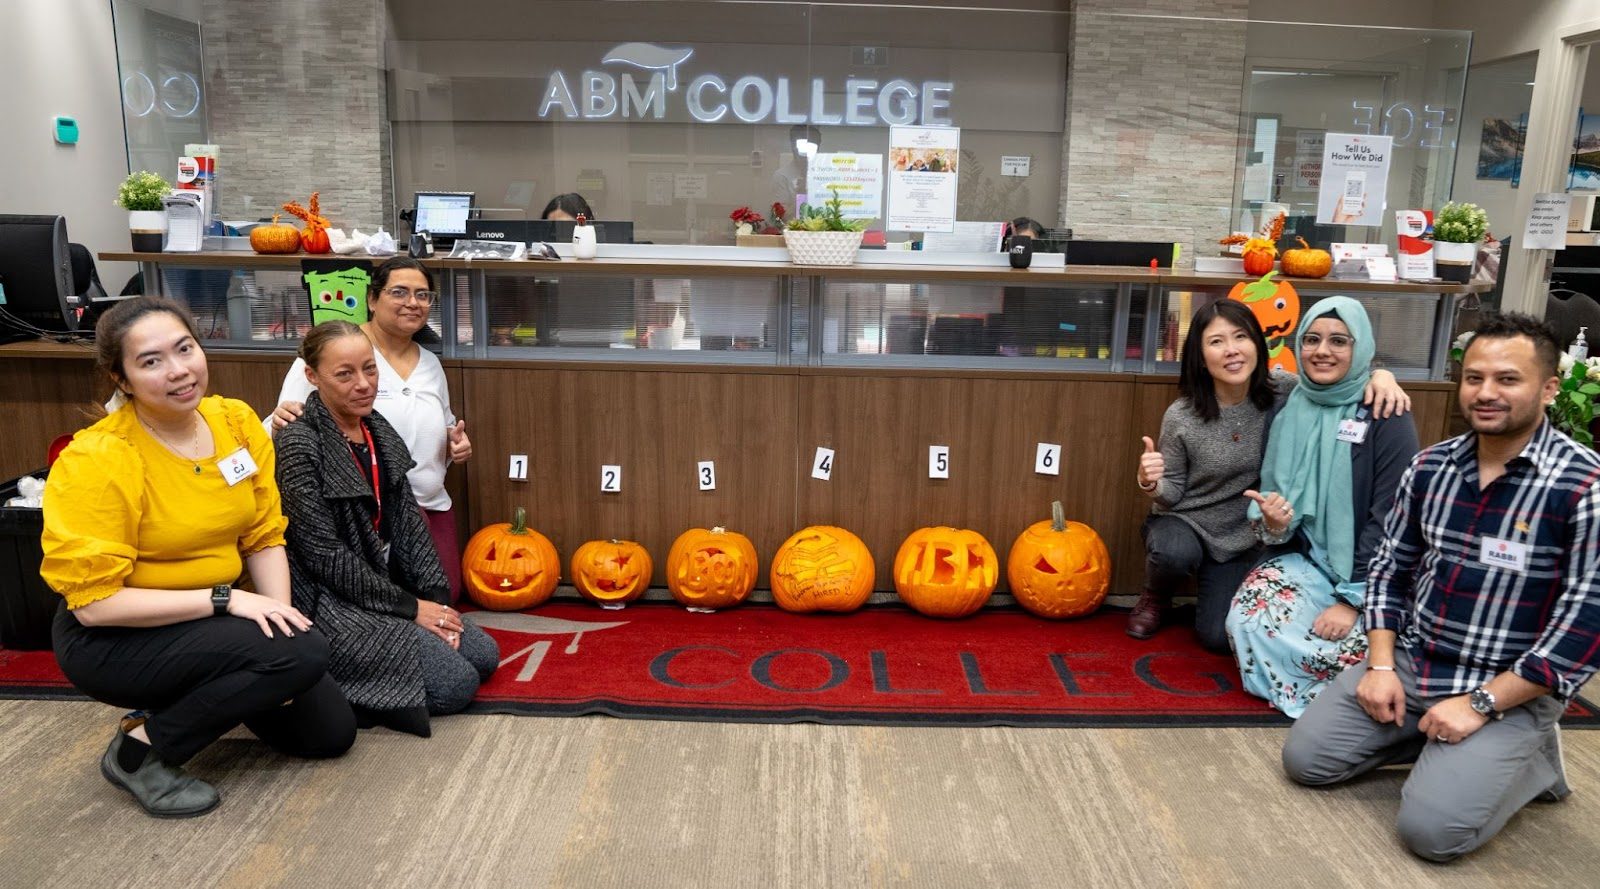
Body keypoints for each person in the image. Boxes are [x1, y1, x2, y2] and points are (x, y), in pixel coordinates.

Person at [1282, 313, 1600, 862]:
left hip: (1508, 685)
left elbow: (1585, 627)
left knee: (1432, 835)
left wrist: (1478, 704)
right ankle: (1431, 738)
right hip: (1414, 661)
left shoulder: (1583, 486)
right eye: (1474, 378)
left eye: (1507, 379)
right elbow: (1389, 570)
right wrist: (1380, 667)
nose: (1486, 393)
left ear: (1549, 388)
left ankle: (1533, 761)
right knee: (1306, 762)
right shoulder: (1431, 467)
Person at [41, 296, 354, 819]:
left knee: (327, 731)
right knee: (301, 657)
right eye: (151, 361)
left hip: (212, 617)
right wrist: (228, 603)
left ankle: (196, 693)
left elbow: (263, 535)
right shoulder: (99, 458)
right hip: (114, 636)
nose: (179, 370)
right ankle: (140, 749)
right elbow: (95, 606)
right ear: (121, 379)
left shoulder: (234, 423)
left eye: (185, 348)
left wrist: (278, 627)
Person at [1132, 299, 1409, 650]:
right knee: (1173, 551)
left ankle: (1212, 584)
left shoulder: (1286, 391)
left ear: (1257, 346)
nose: (1231, 351)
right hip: (1187, 522)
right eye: (1216, 342)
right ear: (1200, 356)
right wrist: (1150, 481)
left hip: (1247, 533)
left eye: (1240, 337)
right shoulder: (1182, 415)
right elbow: (1170, 494)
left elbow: (1332, 377)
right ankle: (1156, 596)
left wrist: (1382, 375)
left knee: (1218, 639)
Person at [274, 321, 500, 737]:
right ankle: (327, 686)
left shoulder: (378, 429)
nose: (363, 384)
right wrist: (411, 610)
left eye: (370, 369)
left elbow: (411, 524)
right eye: (344, 374)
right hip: (330, 602)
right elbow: (324, 557)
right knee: (457, 684)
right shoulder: (299, 443)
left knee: (483, 654)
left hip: (380, 586)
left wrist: (436, 604)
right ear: (312, 376)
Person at [1224, 298, 1420, 716]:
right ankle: (1324, 697)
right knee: (1248, 617)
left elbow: (1392, 520)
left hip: (1370, 575)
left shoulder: (1386, 411)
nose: (1322, 351)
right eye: (1311, 339)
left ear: (1361, 348)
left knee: (1362, 646)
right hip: (1310, 561)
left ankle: (1352, 697)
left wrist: (1351, 603)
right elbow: (1279, 513)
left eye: (1338, 341)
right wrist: (1274, 523)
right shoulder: (1290, 401)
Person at [269, 257, 472, 601]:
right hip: (363, 513)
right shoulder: (336, 350)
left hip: (428, 505)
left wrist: (456, 444)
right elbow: (286, 419)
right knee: (381, 599)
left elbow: (446, 421)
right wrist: (278, 418)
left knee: (445, 594)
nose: (413, 302)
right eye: (399, 292)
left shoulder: (431, 363)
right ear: (372, 299)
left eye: (423, 295)